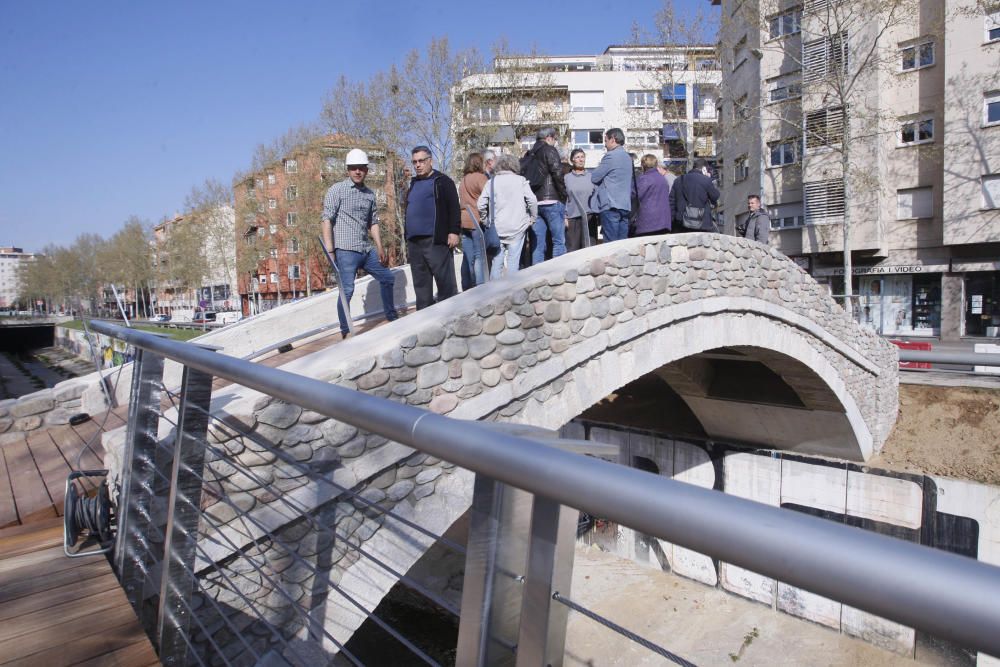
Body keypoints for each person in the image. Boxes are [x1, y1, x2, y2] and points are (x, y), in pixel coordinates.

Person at [321, 148, 398, 338]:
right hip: (345, 250)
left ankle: (392, 317)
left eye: (361, 168)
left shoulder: (370, 194)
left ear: (367, 170)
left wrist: (379, 247)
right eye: (353, 168)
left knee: (387, 278)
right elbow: (326, 219)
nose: (357, 171)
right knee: (347, 290)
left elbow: (373, 222)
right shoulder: (337, 190)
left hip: (365, 249)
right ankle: (346, 331)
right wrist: (330, 251)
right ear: (348, 169)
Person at [404, 146, 461, 310]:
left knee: (445, 283)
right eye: (415, 162)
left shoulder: (443, 181)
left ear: (430, 161)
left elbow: (454, 207)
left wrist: (454, 231)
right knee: (421, 285)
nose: (417, 165)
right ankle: (424, 318)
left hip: (436, 239)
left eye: (421, 161)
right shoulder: (413, 183)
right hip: (414, 242)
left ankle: (450, 314)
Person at [478, 153, 537, 280]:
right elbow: (532, 200)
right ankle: (511, 289)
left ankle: (494, 289)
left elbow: (481, 204)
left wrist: (485, 220)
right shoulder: (521, 180)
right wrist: (533, 217)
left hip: (497, 228)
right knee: (513, 262)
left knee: (497, 263)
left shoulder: (491, 182)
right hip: (518, 227)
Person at [524, 127, 567, 265]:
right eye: (554, 139)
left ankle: (537, 275)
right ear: (549, 137)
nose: (555, 142)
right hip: (552, 200)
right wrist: (563, 195)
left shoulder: (529, 154)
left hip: (535, 203)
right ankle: (558, 272)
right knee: (558, 241)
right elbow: (557, 173)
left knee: (538, 245)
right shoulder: (549, 150)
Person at [590, 128, 633, 242]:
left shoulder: (610, 156)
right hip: (625, 206)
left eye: (606, 140)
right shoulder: (628, 157)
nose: (605, 144)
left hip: (611, 206)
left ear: (613, 139)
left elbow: (594, 177)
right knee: (622, 245)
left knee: (610, 245)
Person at [458, 152, 491, 288]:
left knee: (467, 257)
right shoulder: (481, 178)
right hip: (477, 220)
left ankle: (466, 285)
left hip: (464, 220)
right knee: (479, 256)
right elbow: (488, 197)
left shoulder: (463, 180)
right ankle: (480, 286)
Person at [669, 158, 721, 232]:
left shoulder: (678, 180)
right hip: (702, 223)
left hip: (680, 223)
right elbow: (715, 196)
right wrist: (710, 180)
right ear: (704, 169)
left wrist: (672, 221)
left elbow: (671, 202)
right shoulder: (706, 180)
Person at [564, 148, 596, 251]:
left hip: (590, 217)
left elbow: (596, 195)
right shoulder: (566, 178)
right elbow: (564, 198)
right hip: (572, 218)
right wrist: (565, 217)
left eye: (582, 157)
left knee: (589, 250)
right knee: (572, 251)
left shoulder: (592, 177)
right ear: (572, 160)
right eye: (577, 157)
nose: (581, 159)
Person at [633, 154, 672, 237]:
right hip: (664, 221)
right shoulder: (662, 179)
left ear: (643, 165)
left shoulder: (644, 178)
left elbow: (635, 197)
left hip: (648, 222)